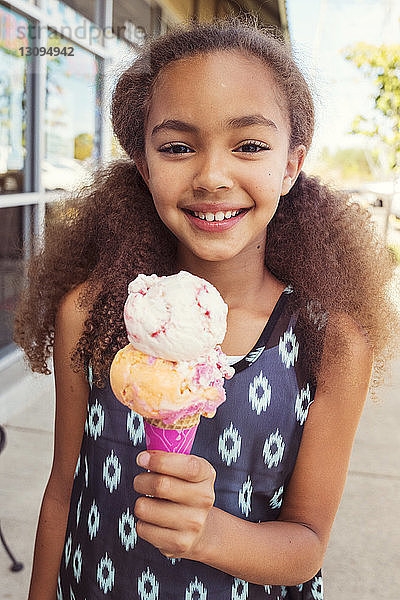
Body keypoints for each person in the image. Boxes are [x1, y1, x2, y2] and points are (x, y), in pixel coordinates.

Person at [14, 17, 399, 600]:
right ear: (144, 167)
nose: (212, 175)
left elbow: (308, 543)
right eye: (177, 147)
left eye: (249, 145)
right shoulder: (90, 314)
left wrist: (208, 533)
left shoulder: (332, 340)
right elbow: (64, 492)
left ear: (292, 164)